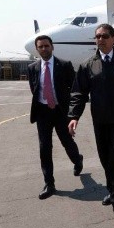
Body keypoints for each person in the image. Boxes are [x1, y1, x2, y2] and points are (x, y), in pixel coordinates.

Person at [68, 24, 114, 223]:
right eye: (98, 36)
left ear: (113, 39)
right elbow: (79, 92)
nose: (100, 39)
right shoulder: (88, 65)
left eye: (104, 36)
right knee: (105, 157)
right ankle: (112, 190)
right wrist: (74, 116)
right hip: (100, 119)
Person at [27, 35, 83, 199]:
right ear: (37, 49)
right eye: (40, 47)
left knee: (67, 141)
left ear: (52, 47)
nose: (44, 49)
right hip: (42, 112)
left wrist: (72, 113)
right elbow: (34, 88)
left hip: (60, 111)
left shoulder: (64, 65)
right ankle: (49, 184)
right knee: (44, 147)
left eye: (46, 46)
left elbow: (74, 89)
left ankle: (77, 160)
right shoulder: (32, 68)